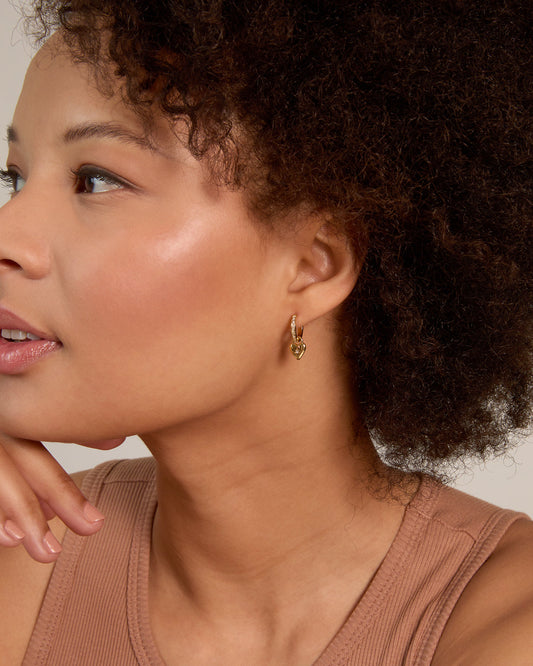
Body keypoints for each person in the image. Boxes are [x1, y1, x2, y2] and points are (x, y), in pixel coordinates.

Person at [0, 0, 531, 664]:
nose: (7, 233)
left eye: (96, 180)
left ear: (313, 266)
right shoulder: (20, 558)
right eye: (15, 178)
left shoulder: (504, 626)